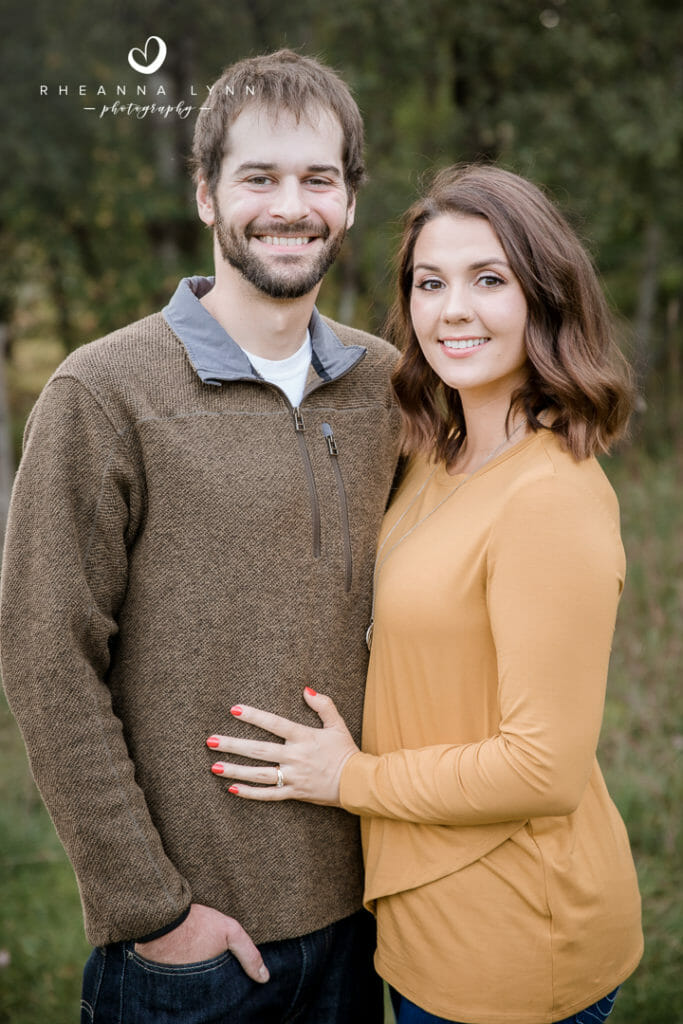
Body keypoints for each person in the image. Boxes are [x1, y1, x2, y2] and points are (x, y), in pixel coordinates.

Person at [0, 50, 401, 1023]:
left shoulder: (393, 388)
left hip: (368, 926)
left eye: (316, 179)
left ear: (349, 202)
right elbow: (46, 653)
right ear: (206, 195)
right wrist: (151, 909)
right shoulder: (104, 393)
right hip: (188, 956)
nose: (289, 206)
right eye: (258, 177)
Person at [202, 164, 644, 1024]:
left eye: (489, 280)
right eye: (429, 282)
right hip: (421, 923)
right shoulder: (439, 457)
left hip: (511, 938)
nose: (452, 311)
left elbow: (542, 769)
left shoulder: (547, 498)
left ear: (546, 296)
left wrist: (349, 778)